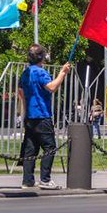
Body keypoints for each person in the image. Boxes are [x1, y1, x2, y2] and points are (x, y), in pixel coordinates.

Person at [18, 44, 71, 190]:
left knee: (31, 149)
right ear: (41, 57)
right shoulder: (41, 73)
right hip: (42, 115)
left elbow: (20, 91)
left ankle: (27, 180)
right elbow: (51, 87)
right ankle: (45, 179)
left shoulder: (25, 72)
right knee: (50, 147)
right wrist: (62, 73)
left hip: (30, 115)